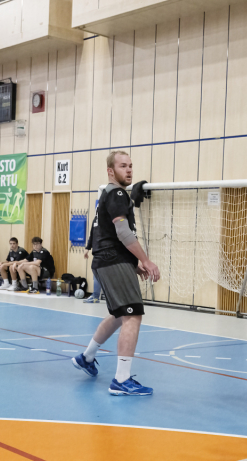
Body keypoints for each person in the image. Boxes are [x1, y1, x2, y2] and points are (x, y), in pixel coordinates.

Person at [71, 150, 160, 396]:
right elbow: (122, 233)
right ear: (111, 171)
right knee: (133, 315)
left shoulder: (108, 195)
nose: (129, 170)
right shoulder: (118, 193)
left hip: (108, 261)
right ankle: (121, 380)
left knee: (120, 314)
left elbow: (105, 235)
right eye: (123, 166)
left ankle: (87, 357)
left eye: (130, 165)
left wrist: (132, 263)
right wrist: (146, 260)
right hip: (112, 261)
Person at [82, 218, 104, 303]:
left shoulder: (109, 217)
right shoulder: (95, 219)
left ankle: (97, 296)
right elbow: (92, 234)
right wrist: (87, 248)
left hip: (106, 251)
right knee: (95, 271)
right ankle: (95, 296)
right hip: (97, 251)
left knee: (105, 274)